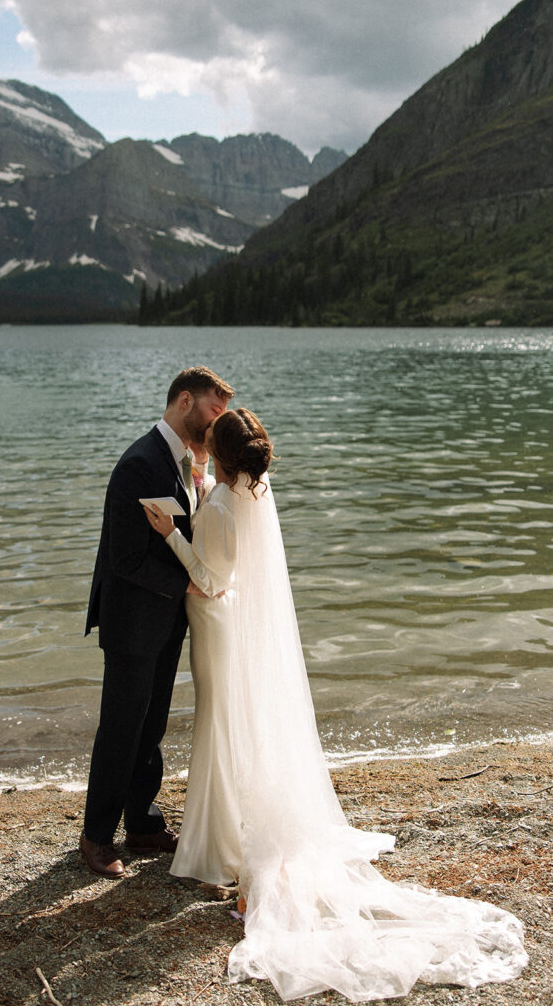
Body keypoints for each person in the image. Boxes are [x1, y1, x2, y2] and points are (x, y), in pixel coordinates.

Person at [144, 408, 528, 1003]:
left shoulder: (222, 504)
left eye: (207, 444)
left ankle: (218, 848)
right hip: (231, 621)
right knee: (228, 728)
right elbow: (225, 543)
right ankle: (220, 839)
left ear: (218, 454)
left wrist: (169, 532)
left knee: (220, 728)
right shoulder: (247, 491)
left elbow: (212, 579)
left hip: (217, 622)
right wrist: (199, 489)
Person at [80, 366, 234, 879]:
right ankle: (96, 838)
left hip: (166, 618)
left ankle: (142, 822)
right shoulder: (139, 463)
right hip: (132, 621)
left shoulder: (186, 462)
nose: (219, 422)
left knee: (153, 724)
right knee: (122, 728)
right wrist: (187, 585)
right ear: (185, 401)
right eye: (215, 411)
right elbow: (122, 558)